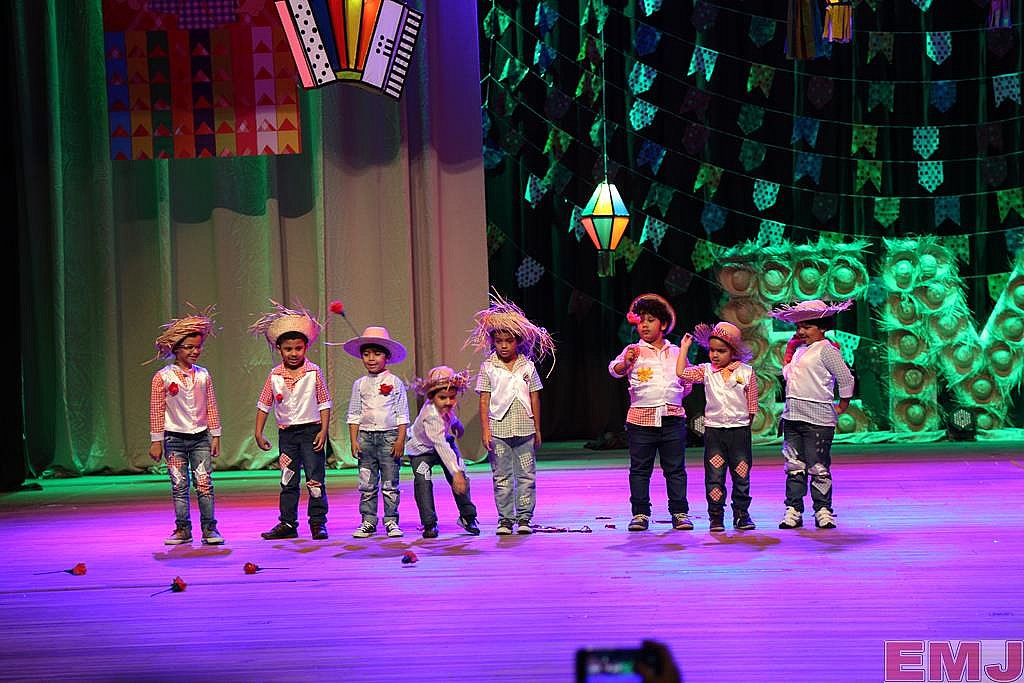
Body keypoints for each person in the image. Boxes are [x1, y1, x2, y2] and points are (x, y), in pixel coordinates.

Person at [465, 294, 555, 535]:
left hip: (524, 429)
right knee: (501, 476)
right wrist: (486, 431)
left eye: (508, 341)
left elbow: (534, 397)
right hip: (499, 430)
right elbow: (484, 399)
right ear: (493, 342)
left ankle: (524, 517)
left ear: (518, 341)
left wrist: (537, 429)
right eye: (499, 341)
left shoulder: (527, 366)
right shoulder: (489, 367)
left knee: (526, 475)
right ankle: (505, 519)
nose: (504, 345)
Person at [608, 294, 692, 532]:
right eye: (641, 321)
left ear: (663, 324)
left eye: (650, 320)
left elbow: (687, 381)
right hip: (641, 420)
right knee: (640, 470)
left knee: (675, 469)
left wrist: (674, 396)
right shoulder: (633, 350)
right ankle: (640, 513)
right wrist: (625, 362)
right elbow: (614, 369)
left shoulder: (676, 352)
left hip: (672, 418)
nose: (644, 325)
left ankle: (679, 512)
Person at [250, 301, 333, 540]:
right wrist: (258, 432)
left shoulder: (313, 372)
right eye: (288, 349)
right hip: (287, 436)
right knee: (288, 479)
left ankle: (317, 522)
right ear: (279, 349)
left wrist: (323, 430)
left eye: (298, 348)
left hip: (311, 432)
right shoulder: (275, 375)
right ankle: (287, 523)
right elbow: (264, 404)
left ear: (306, 347)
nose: (294, 353)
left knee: (315, 479)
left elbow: (324, 403)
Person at [770, 299, 855, 530]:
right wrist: (789, 353)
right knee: (794, 466)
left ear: (822, 327)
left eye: (807, 326)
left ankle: (823, 510)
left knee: (818, 466)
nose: (801, 331)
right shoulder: (800, 351)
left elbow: (846, 378)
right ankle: (794, 509)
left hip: (818, 420)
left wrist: (842, 406)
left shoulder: (826, 350)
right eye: (799, 326)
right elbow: (791, 376)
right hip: (793, 417)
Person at [147, 305, 224, 545]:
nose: (195, 351)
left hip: (200, 437)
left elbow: (211, 405)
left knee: (204, 483)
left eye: (198, 347)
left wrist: (216, 435)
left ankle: (210, 528)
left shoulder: (203, 375)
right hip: (174, 439)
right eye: (189, 347)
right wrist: (156, 441)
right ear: (176, 348)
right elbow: (157, 410)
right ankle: (182, 529)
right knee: (179, 485)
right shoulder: (163, 377)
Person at [677, 322, 759, 532]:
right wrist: (684, 348)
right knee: (715, 474)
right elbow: (681, 372)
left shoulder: (746, 372)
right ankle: (716, 516)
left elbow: (752, 405)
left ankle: (741, 513)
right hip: (714, 432)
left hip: (739, 432)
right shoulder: (706, 371)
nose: (715, 355)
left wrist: (742, 424)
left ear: (733, 351)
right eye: (712, 350)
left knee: (741, 474)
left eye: (721, 351)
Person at [343, 326, 410, 538]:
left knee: (390, 483)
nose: (371, 358)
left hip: (389, 437)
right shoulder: (359, 384)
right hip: (366, 438)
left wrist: (400, 440)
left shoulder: (395, 382)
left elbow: (402, 414)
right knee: (367, 483)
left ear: (387, 357)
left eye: (377, 353)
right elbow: (354, 413)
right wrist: (354, 440)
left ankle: (391, 520)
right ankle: (368, 521)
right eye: (366, 354)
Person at [405, 366, 480, 538]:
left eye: (452, 397)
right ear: (432, 398)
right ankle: (429, 523)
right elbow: (440, 445)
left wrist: (456, 424)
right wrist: (455, 472)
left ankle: (468, 516)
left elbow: (449, 416)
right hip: (422, 451)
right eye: (442, 398)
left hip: (444, 442)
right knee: (423, 481)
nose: (448, 402)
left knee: (462, 476)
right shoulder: (430, 415)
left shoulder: (445, 408)